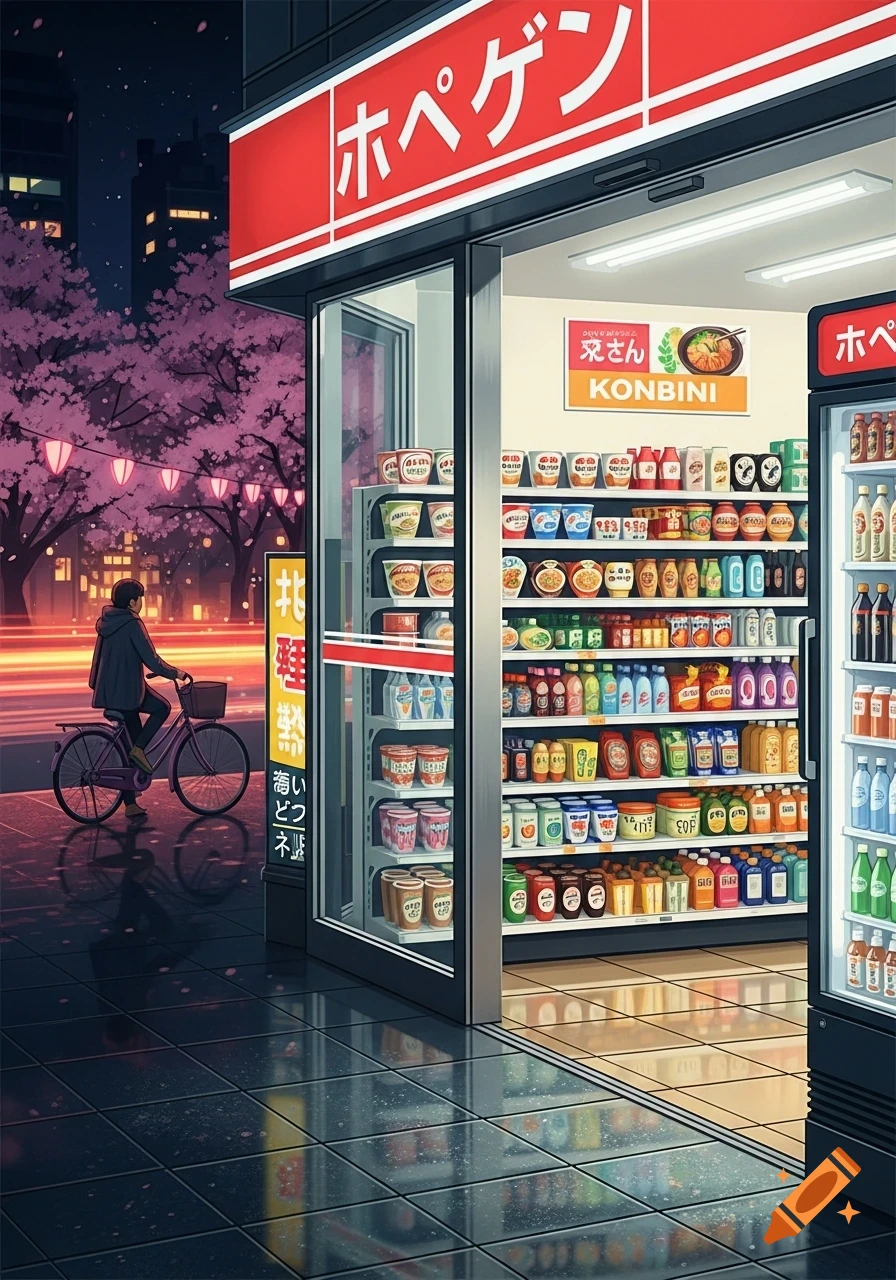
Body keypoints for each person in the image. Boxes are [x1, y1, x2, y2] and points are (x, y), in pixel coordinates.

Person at [89, 578, 186, 819]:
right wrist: (175, 672)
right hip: (128, 692)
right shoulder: (132, 623)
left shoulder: (107, 621)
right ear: (133, 602)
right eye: (141, 598)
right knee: (162, 708)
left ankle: (130, 803)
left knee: (129, 743)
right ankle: (139, 752)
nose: (142, 603)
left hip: (110, 690)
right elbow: (150, 658)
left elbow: (101, 657)